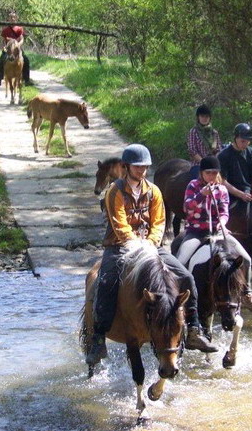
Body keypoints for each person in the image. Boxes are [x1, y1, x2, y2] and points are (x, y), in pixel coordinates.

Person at [86, 144, 218, 367]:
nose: (142, 171)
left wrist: (151, 242)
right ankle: (98, 338)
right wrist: (136, 244)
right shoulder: (114, 191)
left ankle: (194, 329)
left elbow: (159, 222)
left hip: (150, 246)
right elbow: (119, 224)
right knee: (105, 282)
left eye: (145, 167)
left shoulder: (154, 191)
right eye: (138, 167)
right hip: (119, 246)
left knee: (187, 277)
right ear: (126, 167)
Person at [174, 155, 252, 313]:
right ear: (201, 173)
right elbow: (187, 208)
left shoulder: (222, 189)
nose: (211, 176)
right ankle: (178, 298)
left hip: (218, 231)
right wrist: (202, 195)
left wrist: (222, 222)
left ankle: (247, 295)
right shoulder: (193, 186)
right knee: (180, 261)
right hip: (196, 231)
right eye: (208, 173)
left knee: (247, 259)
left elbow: (224, 211)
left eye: (214, 173)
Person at [217, 123, 252, 207]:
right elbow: (222, 181)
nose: (245, 144)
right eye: (243, 141)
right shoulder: (223, 155)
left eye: (248, 141)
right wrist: (241, 194)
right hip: (230, 194)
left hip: (249, 193)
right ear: (235, 138)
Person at [0, 11, 32, 87]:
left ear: (16, 18)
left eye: (14, 17)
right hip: (8, 49)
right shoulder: (5, 30)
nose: (12, 19)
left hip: (17, 49)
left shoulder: (19, 29)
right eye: (11, 17)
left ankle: (27, 80)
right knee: (1, 60)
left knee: (26, 60)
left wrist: (18, 45)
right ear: (8, 19)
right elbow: (3, 40)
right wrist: (4, 47)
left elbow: (22, 39)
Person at [187, 104, 221, 179]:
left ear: (209, 118)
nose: (204, 119)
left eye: (206, 117)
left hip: (213, 164)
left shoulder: (214, 133)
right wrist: (204, 162)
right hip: (198, 164)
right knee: (197, 180)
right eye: (202, 116)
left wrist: (213, 161)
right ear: (198, 117)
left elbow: (218, 149)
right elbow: (192, 150)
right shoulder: (193, 131)